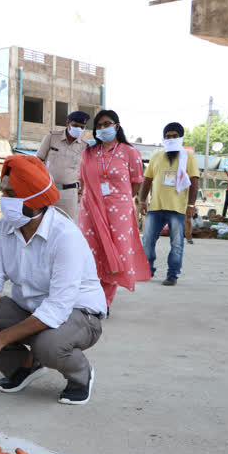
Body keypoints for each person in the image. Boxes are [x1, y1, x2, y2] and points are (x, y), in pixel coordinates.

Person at [0, 155, 106, 405]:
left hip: (79, 314)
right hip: (30, 308)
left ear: (33, 200)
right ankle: (25, 366)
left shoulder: (65, 236)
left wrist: (1, 339)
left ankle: (80, 376)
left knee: (48, 344)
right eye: (3, 191)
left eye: (11, 193)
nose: (5, 200)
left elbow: (57, 308)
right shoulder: (4, 227)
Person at [78, 110, 150, 309]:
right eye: (99, 126)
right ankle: (89, 296)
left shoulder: (130, 152)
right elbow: (83, 181)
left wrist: (119, 197)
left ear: (116, 126)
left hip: (119, 210)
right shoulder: (89, 153)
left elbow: (135, 183)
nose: (102, 128)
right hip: (90, 208)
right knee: (90, 252)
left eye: (106, 124)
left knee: (114, 254)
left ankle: (105, 301)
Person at [138, 122, 199, 286]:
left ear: (181, 138)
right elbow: (147, 180)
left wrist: (191, 205)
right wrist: (142, 201)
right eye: (168, 136)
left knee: (177, 244)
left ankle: (172, 275)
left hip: (177, 209)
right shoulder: (156, 156)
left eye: (174, 136)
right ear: (163, 138)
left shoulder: (188, 156)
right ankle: (147, 270)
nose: (171, 139)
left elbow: (194, 180)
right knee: (147, 242)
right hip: (155, 207)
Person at [36, 111, 90, 221]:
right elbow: (38, 161)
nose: (78, 129)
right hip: (47, 189)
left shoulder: (85, 145)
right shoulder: (51, 137)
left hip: (69, 194)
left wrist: (81, 192)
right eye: (75, 126)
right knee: (44, 223)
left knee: (67, 225)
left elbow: (85, 172)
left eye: (82, 127)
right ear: (68, 123)